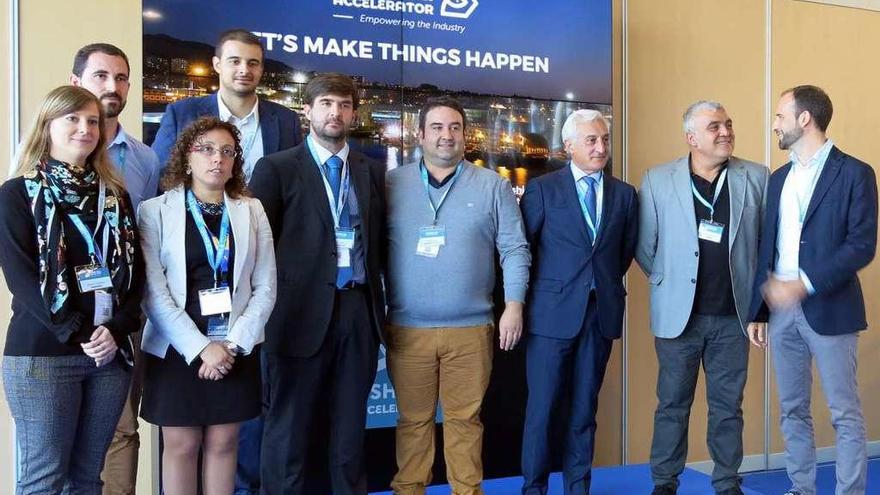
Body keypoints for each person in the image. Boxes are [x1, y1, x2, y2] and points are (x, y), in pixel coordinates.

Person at [0, 85, 144, 493]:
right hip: (45, 355)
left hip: (108, 357)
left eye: (93, 121)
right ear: (47, 126)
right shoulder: (17, 194)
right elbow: (21, 280)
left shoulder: (115, 197)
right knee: (45, 481)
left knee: (87, 479)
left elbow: (136, 279)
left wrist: (115, 330)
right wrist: (78, 333)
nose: (85, 129)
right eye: (73, 119)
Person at [384, 95, 531, 495]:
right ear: (419, 135)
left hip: (471, 329)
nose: (446, 136)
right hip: (407, 329)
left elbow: (514, 249)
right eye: (436, 127)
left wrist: (513, 306)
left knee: (465, 422)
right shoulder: (391, 184)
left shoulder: (493, 186)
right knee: (412, 422)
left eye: (454, 128)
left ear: (465, 134)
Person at [250, 73, 386, 495]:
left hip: (357, 312)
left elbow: (379, 243)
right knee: (287, 431)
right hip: (295, 316)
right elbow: (257, 249)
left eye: (344, 105)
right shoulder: (275, 168)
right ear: (306, 111)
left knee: (348, 432)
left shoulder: (371, 170)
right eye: (326, 103)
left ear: (353, 112)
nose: (336, 113)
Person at [748, 85, 877, 495]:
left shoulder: (856, 173)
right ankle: (801, 489)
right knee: (791, 410)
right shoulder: (778, 178)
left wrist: (802, 285)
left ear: (805, 119)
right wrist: (759, 310)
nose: (774, 124)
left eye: (780, 116)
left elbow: (861, 246)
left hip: (831, 307)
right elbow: (765, 247)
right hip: (781, 313)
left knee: (844, 412)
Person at [138, 116, 276, 495]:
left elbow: (265, 286)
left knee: (224, 444)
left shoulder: (252, 210)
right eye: (207, 149)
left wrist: (230, 346)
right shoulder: (155, 211)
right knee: (182, 446)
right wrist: (201, 349)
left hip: (235, 345)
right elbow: (153, 292)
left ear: (235, 162)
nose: (218, 158)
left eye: (227, 151)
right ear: (187, 157)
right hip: (176, 347)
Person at [636, 101, 768, 495]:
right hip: (680, 319)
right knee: (672, 405)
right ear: (691, 137)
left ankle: (727, 482)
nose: (726, 131)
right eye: (715, 127)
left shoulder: (757, 177)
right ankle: (664, 482)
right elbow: (646, 248)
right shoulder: (658, 179)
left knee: (728, 408)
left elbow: (764, 247)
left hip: (733, 317)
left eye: (728, 124)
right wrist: (672, 284)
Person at [519, 109, 638, 495]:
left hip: (599, 315)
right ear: (569, 146)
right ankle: (534, 489)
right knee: (542, 411)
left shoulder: (624, 194)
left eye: (604, 139)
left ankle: (578, 489)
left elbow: (621, 254)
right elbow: (526, 250)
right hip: (551, 316)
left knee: (584, 411)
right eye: (591, 140)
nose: (601, 147)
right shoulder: (543, 190)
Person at [69, 42, 161, 494]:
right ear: (76, 84)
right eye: (101, 76)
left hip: (124, 319)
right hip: (64, 320)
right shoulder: (43, 160)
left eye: (121, 78)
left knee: (122, 430)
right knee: (63, 439)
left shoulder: (145, 160)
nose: (112, 86)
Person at [151, 29, 302, 183]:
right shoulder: (181, 114)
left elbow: (296, 181)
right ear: (217, 65)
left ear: (261, 69)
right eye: (235, 61)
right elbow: (162, 176)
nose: (244, 70)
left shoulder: (287, 120)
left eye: (253, 63)